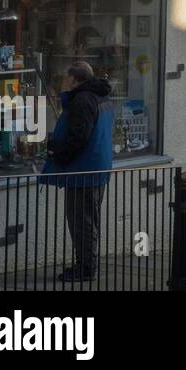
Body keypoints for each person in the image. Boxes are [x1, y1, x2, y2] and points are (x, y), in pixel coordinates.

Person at [40, 61, 115, 283]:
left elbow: (78, 138)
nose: (64, 81)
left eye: (66, 77)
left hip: (83, 170)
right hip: (96, 167)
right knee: (89, 219)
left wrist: (57, 153)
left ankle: (85, 268)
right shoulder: (101, 97)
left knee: (81, 220)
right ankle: (86, 264)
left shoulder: (83, 100)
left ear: (74, 79)